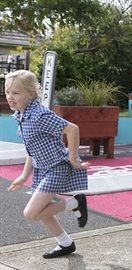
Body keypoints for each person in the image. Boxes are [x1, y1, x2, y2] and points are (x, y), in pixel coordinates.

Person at [5, 70, 89, 259]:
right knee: (42, 211)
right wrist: (24, 176)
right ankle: (65, 244)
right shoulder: (21, 115)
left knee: (31, 213)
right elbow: (31, 148)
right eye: (7, 92)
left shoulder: (39, 115)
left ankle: (75, 203)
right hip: (43, 169)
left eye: (16, 93)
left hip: (57, 167)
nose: (10, 97)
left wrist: (74, 160)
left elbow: (72, 129)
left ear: (31, 94)